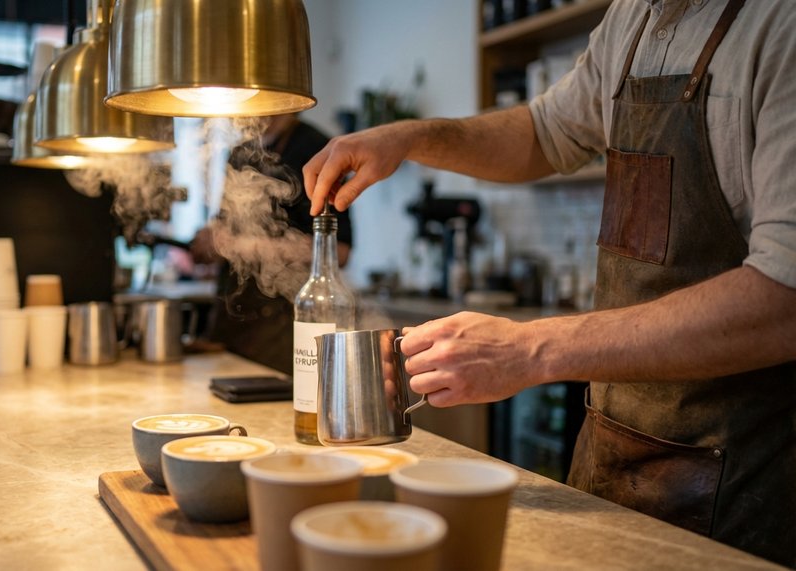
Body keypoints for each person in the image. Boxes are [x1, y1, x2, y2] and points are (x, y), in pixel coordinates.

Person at [302, 0, 794, 566]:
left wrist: (531, 348)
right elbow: (541, 133)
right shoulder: (631, 19)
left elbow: (784, 298)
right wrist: (408, 139)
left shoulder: (779, 24)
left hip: (744, 478)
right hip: (613, 450)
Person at [191, 114, 353, 373]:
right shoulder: (240, 152)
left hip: (284, 328)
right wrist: (210, 242)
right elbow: (224, 231)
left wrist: (242, 245)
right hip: (230, 322)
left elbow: (340, 251)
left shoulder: (318, 151)